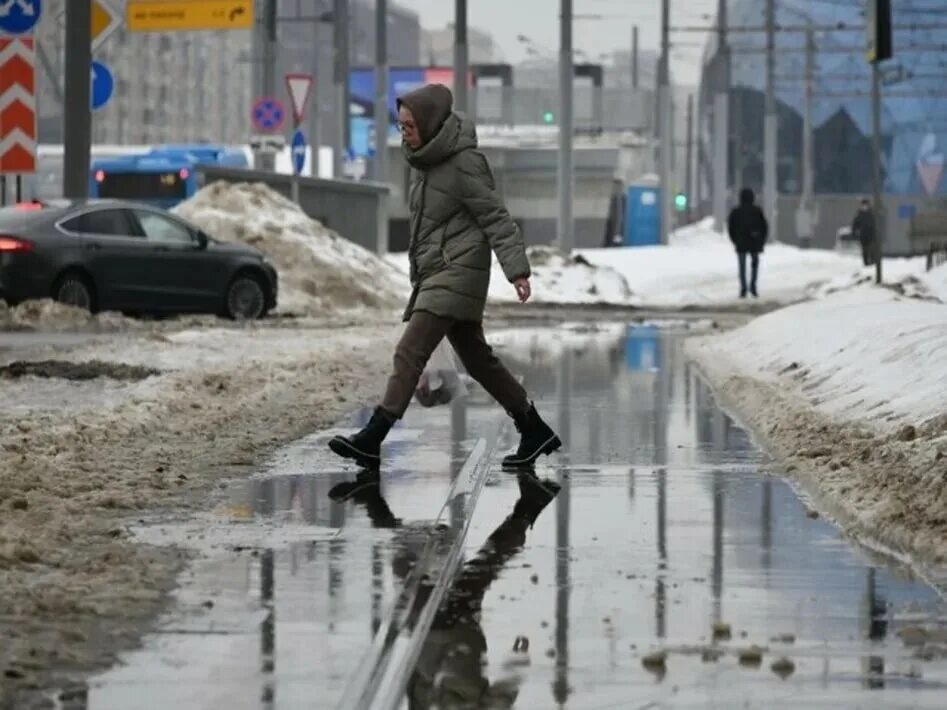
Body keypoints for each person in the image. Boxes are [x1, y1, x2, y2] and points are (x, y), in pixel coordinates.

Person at [328, 84, 561, 470]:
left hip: (458, 273)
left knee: (410, 351)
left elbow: (494, 216)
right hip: (438, 272)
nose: (403, 132)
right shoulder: (423, 162)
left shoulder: (463, 162)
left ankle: (373, 436)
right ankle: (533, 428)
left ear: (431, 123)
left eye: (409, 126)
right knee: (479, 361)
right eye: (400, 125)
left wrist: (516, 270)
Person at [727, 187, 769, 298]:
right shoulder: (757, 211)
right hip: (754, 242)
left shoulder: (736, 212)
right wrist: (761, 240)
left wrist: (735, 240)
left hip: (741, 243)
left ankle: (743, 288)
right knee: (754, 264)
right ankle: (753, 286)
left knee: (742, 266)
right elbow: (764, 227)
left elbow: (731, 228)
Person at [851, 198, 877, 267]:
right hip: (863, 235)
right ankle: (866, 263)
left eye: (866, 205)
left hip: (871, 234)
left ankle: (872, 262)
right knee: (865, 250)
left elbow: (876, 223)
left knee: (872, 249)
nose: (864, 207)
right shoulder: (859, 214)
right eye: (863, 205)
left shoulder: (872, 213)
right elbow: (855, 224)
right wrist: (854, 232)